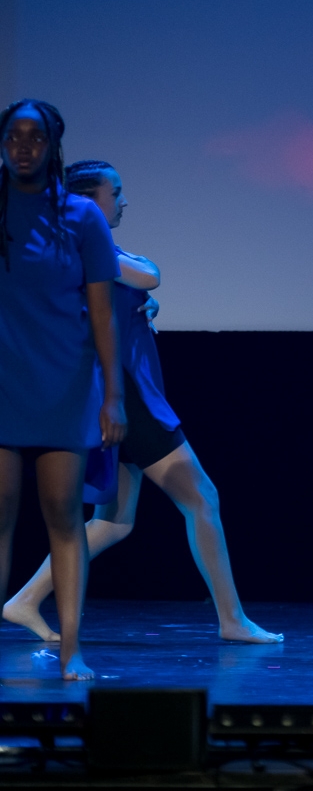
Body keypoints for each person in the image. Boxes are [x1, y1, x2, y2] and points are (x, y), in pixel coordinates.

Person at [1, 160, 281, 645]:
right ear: (88, 201)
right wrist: (142, 293)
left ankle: (25, 600)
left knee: (114, 521)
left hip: (123, 393)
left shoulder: (87, 248)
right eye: (116, 193)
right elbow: (149, 275)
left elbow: (137, 288)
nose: (124, 201)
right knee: (202, 498)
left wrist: (139, 304)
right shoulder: (84, 245)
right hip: (127, 396)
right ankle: (232, 619)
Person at [0, 100, 125, 680]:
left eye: (35, 137)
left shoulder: (82, 216)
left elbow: (103, 313)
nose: (23, 146)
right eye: (13, 136)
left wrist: (112, 395)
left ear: (53, 146)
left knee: (63, 513)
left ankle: (72, 649)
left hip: (64, 383)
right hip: (3, 380)